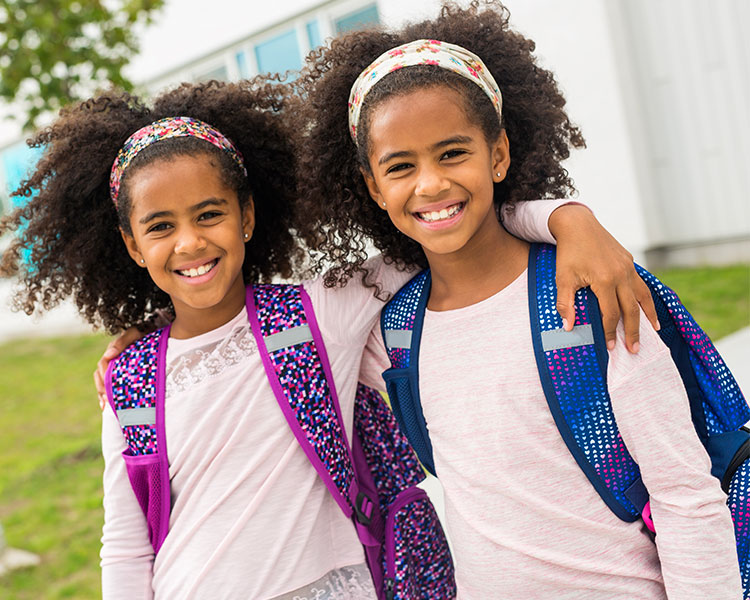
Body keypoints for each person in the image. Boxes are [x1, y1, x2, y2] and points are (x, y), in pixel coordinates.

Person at [0, 83, 653, 599]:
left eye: (210, 215)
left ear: (248, 216)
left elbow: (439, 228)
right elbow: (126, 544)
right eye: (161, 227)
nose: (190, 242)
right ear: (132, 245)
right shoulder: (130, 380)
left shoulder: (318, 310)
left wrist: (566, 218)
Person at [291, 2, 743, 598]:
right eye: (401, 167)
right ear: (373, 187)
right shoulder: (395, 331)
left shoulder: (587, 291)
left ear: (498, 153)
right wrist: (564, 215)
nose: (430, 184)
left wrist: (568, 222)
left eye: (453, 153)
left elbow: (685, 493)